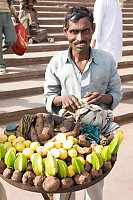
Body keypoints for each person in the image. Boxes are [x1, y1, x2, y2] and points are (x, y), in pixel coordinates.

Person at [43, 6, 122, 200]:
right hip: (64, 139)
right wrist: (61, 99)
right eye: (74, 32)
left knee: (94, 189)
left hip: (97, 137)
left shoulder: (107, 60)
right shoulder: (56, 63)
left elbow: (116, 93)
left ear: (93, 29)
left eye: (85, 31)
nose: (80, 38)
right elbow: (48, 97)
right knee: (63, 188)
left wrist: (104, 98)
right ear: (65, 31)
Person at [91, 0, 123, 67]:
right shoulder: (116, 2)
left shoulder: (102, 1)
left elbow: (97, 22)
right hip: (113, 45)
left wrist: (93, 41)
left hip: (104, 45)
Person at [0, 0, 19, 75]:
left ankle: (1, 50)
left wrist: (15, 15)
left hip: (7, 16)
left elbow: (10, 4)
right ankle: (1, 66)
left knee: (12, 38)